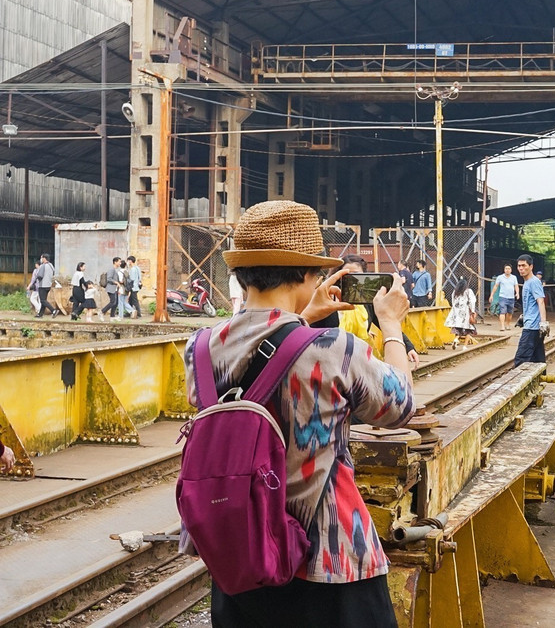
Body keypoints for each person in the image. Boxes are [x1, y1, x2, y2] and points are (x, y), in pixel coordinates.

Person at [184, 200, 415, 627]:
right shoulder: (334, 350)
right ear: (309, 275)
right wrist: (392, 326)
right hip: (331, 562)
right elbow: (398, 406)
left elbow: (264, 358)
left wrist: (301, 317)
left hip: (243, 562)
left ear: (242, 273)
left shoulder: (200, 348)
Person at [315, 254, 420, 369]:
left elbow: (386, 323)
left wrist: (409, 347)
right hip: (330, 364)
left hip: (359, 364)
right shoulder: (327, 300)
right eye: (347, 275)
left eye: (357, 276)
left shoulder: (366, 303)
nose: (353, 280)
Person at [514, 254, 548, 367]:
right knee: (537, 359)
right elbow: (531, 303)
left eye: (524, 265)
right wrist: (524, 316)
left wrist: (543, 322)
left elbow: (540, 301)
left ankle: (518, 383)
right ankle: (539, 380)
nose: (521, 268)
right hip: (532, 325)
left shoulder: (534, 282)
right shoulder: (527, 282)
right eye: (519, 266)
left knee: (521, 359)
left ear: (531, 267)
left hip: (532, 328)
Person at [444, 277, 478, 349]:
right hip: (466, 313)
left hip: (456, 312)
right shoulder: (469, 291)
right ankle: (464, 347)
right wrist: (473, 311)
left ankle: (456, 339)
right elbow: (472, 302)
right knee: (469, 330)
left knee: (458, 329)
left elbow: (453, 302)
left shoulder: (455, 292)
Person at [489, 263, 519, 332]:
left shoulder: (514, 277)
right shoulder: (500, 277)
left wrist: (517, 293)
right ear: (504, 270)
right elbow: (496, 286)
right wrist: (491, 295)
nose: (507, 270)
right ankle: (502, 326)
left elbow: (516, 286)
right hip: (502, 297)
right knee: (502, 311)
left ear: (511, 270)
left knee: (510, 312)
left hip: (511, 297)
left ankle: (507, 324)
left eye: (509, 269)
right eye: (506, 269)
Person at [36, 253, 59, 318]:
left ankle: (53, 310)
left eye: (41, 258)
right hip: (48, 285)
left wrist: (37, 280)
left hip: (42, 285)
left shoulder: (43, 266)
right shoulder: (51, 265)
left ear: (44, 258)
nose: (41, 259)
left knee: (43, 300)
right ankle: (40, 314)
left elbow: (40, 276)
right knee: (44, 300)